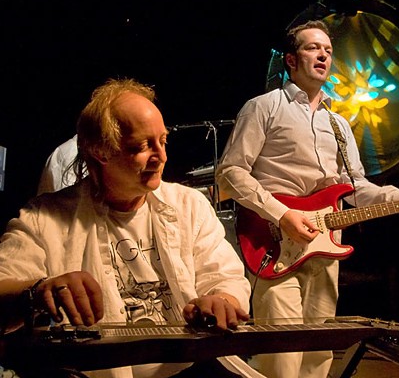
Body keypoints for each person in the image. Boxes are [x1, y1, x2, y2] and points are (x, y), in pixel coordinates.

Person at [215, 19, 399, 378]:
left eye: (327, 50)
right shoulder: (263, 107)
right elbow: (230, 173)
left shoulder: (338, 125)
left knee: (318, 355)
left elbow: (357, 189)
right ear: (291, 60)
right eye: (313, 47)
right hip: (275, 244)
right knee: (280, 356)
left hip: (326, 246)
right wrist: (283, 215)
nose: (323, 54)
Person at [0, 78, 265, 378]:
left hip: (190, 370)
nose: (161, 156)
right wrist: (34, 292)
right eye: (141, 146)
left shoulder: (189, 205)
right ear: (101, 151)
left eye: (163, 141)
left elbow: (226, 278)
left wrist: (222, 301)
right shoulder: (44, 217)